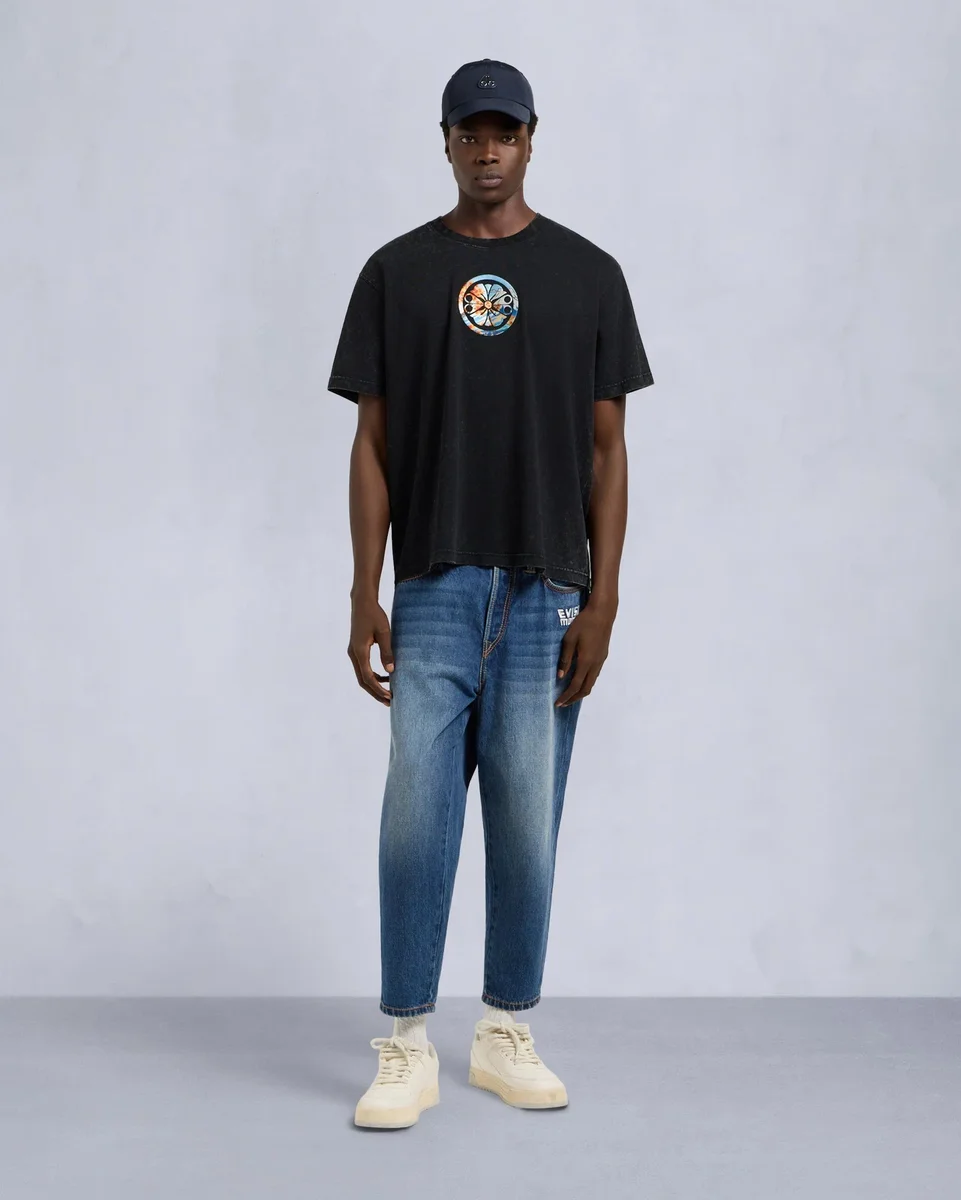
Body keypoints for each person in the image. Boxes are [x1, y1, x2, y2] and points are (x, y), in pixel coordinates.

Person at [327, 58, 654, 1130]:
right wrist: (363, 590)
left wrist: (602, 601)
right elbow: (370, 443)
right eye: (468, 132)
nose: (485, 149)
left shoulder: (588, 274)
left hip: (547, 588)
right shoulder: (395, 273)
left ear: (529, 139)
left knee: (525, 823)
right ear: (445, 141)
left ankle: (505, 1029)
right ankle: (406, 1043)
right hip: (432, 585)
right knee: (414, 819)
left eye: (502, 132)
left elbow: (608, 451)